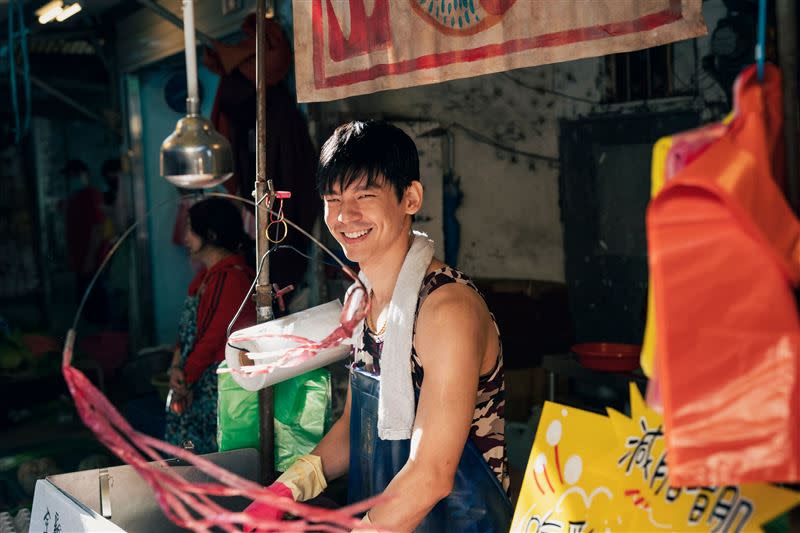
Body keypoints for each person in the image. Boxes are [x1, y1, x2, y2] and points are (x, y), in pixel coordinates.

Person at [247, 121, 512, 532]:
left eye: (364, 196)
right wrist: (289, 487)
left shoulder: (446, 311)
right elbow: (357, 429)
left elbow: (433, 475)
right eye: (332, 198)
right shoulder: (363, 300)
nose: (344, 216)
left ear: (411, 197)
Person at [165, 197, 256, 455]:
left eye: (191, 229)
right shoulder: (205, 278)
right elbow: (186, 333)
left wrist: (187, 376)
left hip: (216, 386)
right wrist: (176, 367)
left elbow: (214, 337)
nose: (185, 237)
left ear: (211, 234)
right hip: (193, 378)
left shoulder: (232, 278)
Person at [63, 159, 113, 325]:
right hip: (81, 260)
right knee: (85, 303)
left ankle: (103, 340)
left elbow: (98, 229)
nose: (71, 180)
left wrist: (90, 259)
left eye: (74, 176)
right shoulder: (76, 198)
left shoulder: (92, 195)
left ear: (83, 175)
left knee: (95, 302)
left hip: (92, 260)